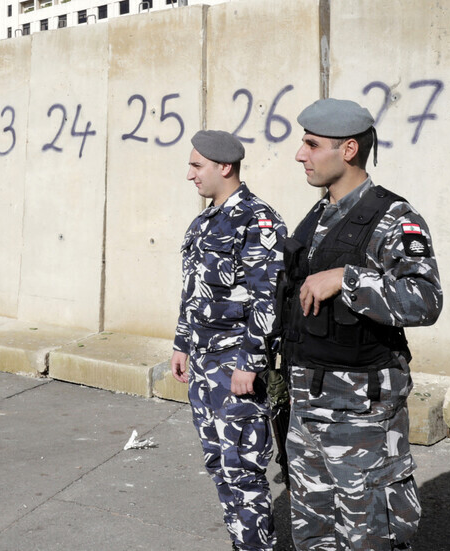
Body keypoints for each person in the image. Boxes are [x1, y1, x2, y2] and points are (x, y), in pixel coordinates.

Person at [280, 98, 443, 550]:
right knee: (314, 532)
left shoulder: (394, 218)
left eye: (312, 145)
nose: (300, 154)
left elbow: (426, 300)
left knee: (370, 534)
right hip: (308, 404)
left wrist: (349, 279)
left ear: (348, 149)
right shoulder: (318, 216)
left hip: (361, 416)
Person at [171, 130, 287, 551]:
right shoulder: (204, 222)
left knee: (244, 472)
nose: (189, 175)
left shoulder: (258, 221)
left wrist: (250, 364)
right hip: (203, 366)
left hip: (235, 368)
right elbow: (193, 291)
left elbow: (268, 301)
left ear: (225, 167)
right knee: (219, 466)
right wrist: (181, 343)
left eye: (197, 166)